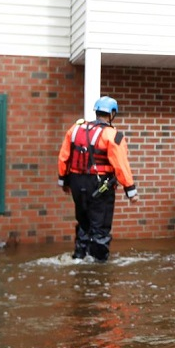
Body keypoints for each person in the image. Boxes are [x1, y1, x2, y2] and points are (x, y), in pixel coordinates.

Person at [57, 96, 139, 262]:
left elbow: (64, 156)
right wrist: (131, 191)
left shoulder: (75, 129)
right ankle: (98, 267)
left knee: (83, 222)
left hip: (76, 182)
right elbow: (121, 165)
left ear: (96, 112)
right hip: (100, 185)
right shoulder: (112, 135)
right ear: (112, 114)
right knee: (100, 227)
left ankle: (79, 257)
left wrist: (64, 181)